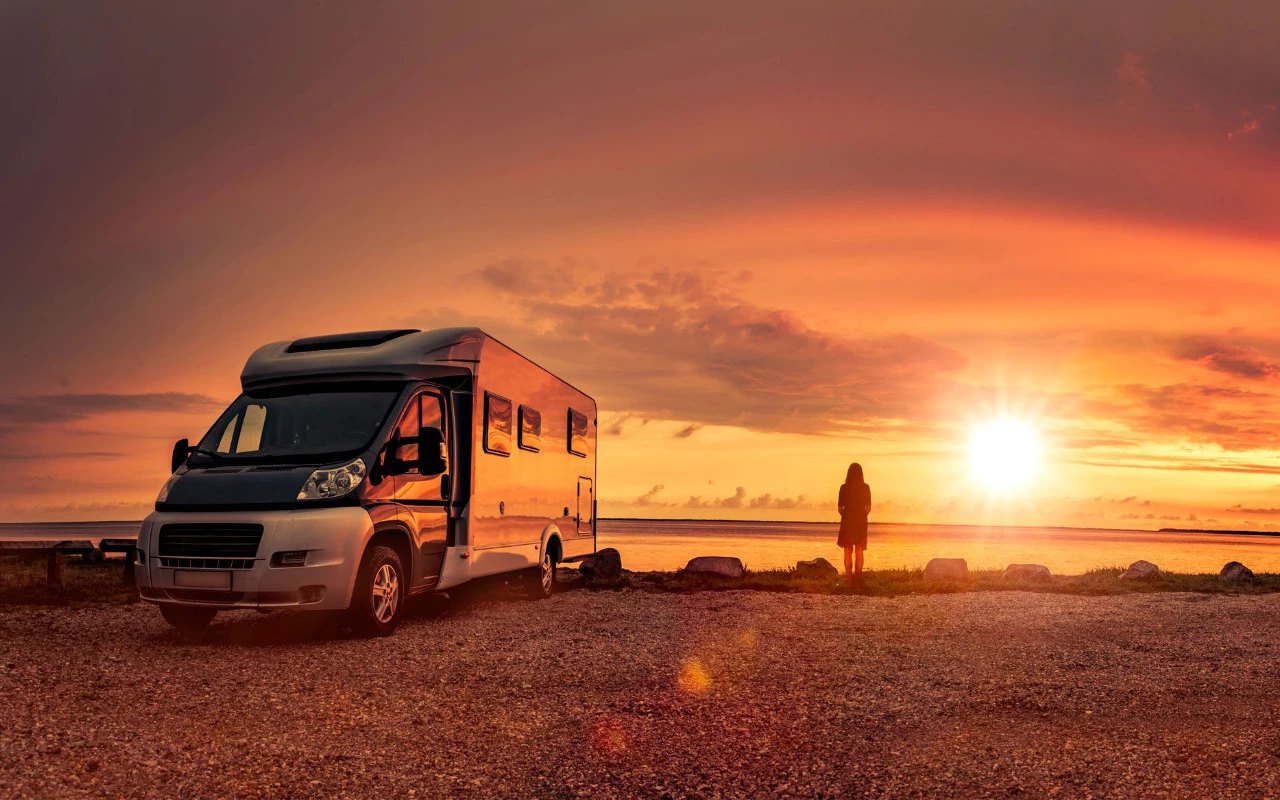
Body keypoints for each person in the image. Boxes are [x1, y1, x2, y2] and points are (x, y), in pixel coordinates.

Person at [837, 462, 871, 588]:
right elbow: (868, 508)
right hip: (860, 522)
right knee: (859, 550)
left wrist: (846, 517)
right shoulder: (865, 487)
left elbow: (840, 508)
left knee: (847, 550)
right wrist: (862, 517)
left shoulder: (844, 488)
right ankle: (857, 579)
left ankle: (850, 580)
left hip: (848, 521)